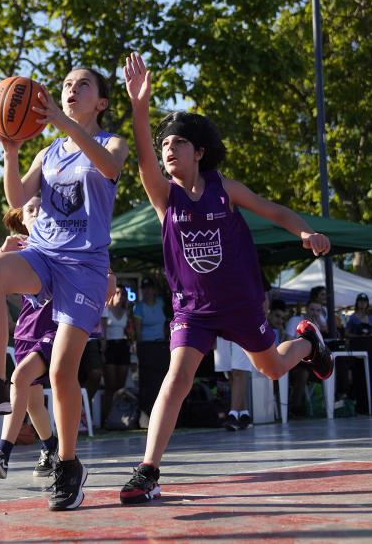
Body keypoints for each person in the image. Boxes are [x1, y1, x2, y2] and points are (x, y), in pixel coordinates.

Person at [119, 53, 333, 505]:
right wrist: (140, 108)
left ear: (198, 151)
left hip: (238, 303)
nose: (168, 152)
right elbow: (141, 157)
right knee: (175, 381)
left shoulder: (225, 188)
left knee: (271, 368)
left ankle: (308, 344)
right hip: (191, 309)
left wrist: (305, 232)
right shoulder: (164, 196)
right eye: (164, 147)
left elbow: (273, 211)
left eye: (177, 144)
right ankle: (148, 471)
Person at [0, 66, 128, 511]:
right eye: (66, 84)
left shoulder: (110, 143)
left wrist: (64, 125)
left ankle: (67, 464)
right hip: (44, 254)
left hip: (84, 265)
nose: (70, 88)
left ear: (100, 102)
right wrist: (11, 152)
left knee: (63, 372)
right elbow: (15, 199)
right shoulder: (48, 153)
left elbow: (108, 168)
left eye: (83, 84)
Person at [0, 197, 59, 479]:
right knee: (33, 400)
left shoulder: (63, 239)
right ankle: (50, 447)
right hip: (26, 331)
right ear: (20, 218)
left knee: (19, 379)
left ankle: (2, 453)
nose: (36, 212)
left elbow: (91, 254)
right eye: (30, 209)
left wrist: (110, 274)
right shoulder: (19, 250)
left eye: (42, 207)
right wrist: (0, 251)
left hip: (56, 327)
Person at [133, 277, 170, 421]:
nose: (147, 291)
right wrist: (139, 348)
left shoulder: (161, 303)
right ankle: (147, 413)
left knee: (162, 379)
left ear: (154, 290)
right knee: (148, 382)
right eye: (145, 288)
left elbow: (167, 323)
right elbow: (137, 330)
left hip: (161, 346)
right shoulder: (139, 307)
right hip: (147, 347)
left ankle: (165, 412)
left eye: (150, 288)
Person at [101, 285, 131, 423]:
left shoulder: (126, 312)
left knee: (120, 386)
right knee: (110, 386)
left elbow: (129, 332)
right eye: (118, 292)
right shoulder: (106, 310)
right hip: (110, 347)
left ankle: (118, 419)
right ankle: (105, 418)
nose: (121, 296)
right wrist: (102, 350)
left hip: (123, 346)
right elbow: (103, 333)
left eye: (123, 294)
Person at [213, 338, 252, 430]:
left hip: (241, 329)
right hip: (221, 331)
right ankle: (244, 414)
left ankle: (233, 415)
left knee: (238, 370)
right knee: (229, 372)